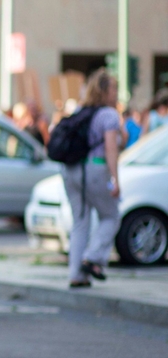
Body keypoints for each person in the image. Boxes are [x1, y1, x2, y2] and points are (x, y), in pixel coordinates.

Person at [64, 69, 123, 288]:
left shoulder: (81, 110)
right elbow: (110, 149)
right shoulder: (108, 115)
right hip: (95, 170)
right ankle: (93, 257)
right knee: (112, 216)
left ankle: (76, 274)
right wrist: (116, 179)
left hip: (71, 171)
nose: (117, 93)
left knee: (80, 222)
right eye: (115, 88)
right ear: (105, 91)